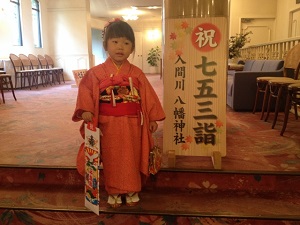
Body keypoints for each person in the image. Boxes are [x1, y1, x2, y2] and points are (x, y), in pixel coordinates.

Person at [72, 19, 165, 208]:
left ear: (132, 47)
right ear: (106, 44)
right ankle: (113, 191)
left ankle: (132, 189)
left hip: (132, 122)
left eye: (126, 43)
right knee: (111, 156)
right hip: (107, 123)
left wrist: (153, 117)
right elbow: (86, 92)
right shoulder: (96, 73)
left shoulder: (137, 73)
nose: (120, 47)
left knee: (132, 155)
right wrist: (87, 111)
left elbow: (147, 95)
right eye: (115, 42)